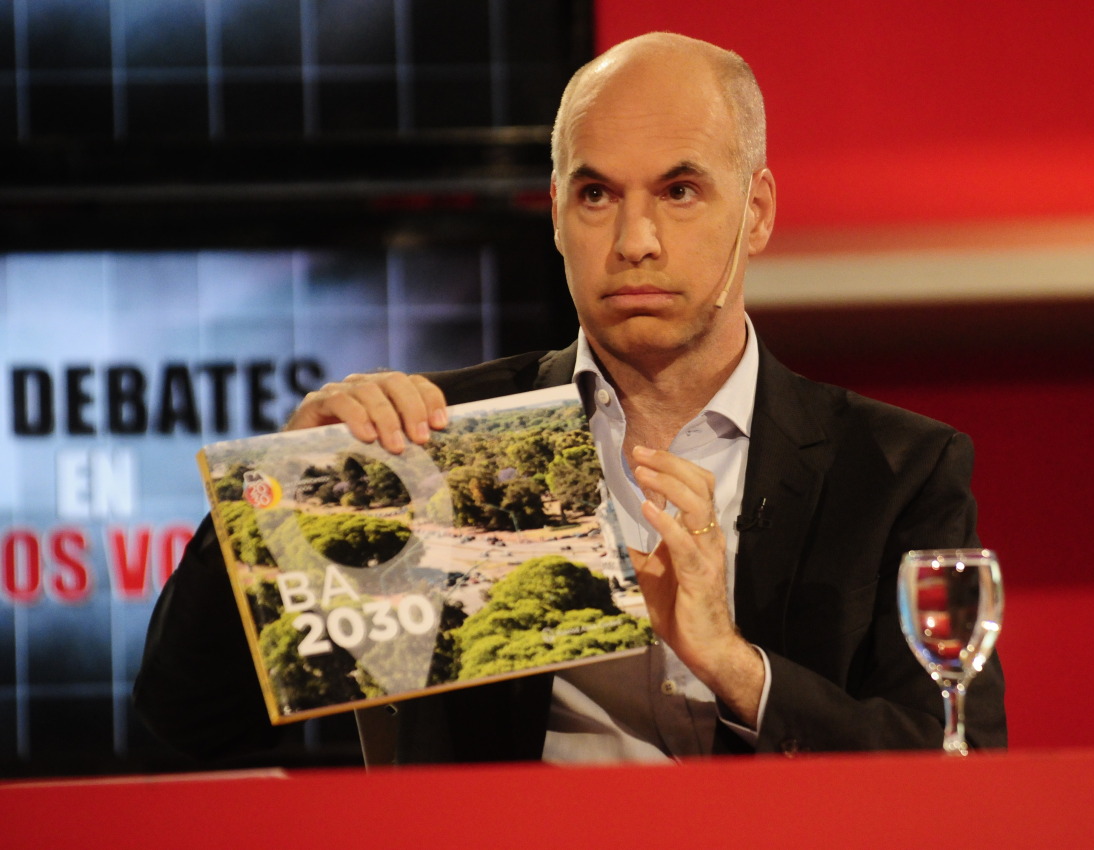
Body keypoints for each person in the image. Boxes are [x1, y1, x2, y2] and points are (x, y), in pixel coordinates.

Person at [134, 32, 1005, 764]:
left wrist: (734, 665)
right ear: (556, 214)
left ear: (759, 210)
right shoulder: (441, 443)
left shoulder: (894, 470)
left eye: (680, 190)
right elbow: (182, 730)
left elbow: (952, 764)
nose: (635, 240)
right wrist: (272, 512)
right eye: (597, 195)